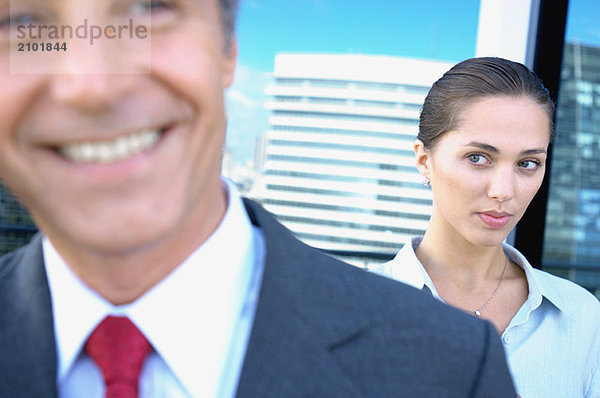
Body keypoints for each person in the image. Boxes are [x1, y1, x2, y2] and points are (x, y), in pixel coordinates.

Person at [0, 1, 517, 397]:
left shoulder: (448, 368)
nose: (92, 87)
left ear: (228, 51)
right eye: (22, 24)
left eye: (148, 8)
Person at [375, 57, 600, 398]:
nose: (504, 191)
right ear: (424, 160)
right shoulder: (355, 309)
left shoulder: (582, 318)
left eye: (527, 163)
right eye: (478, 158)